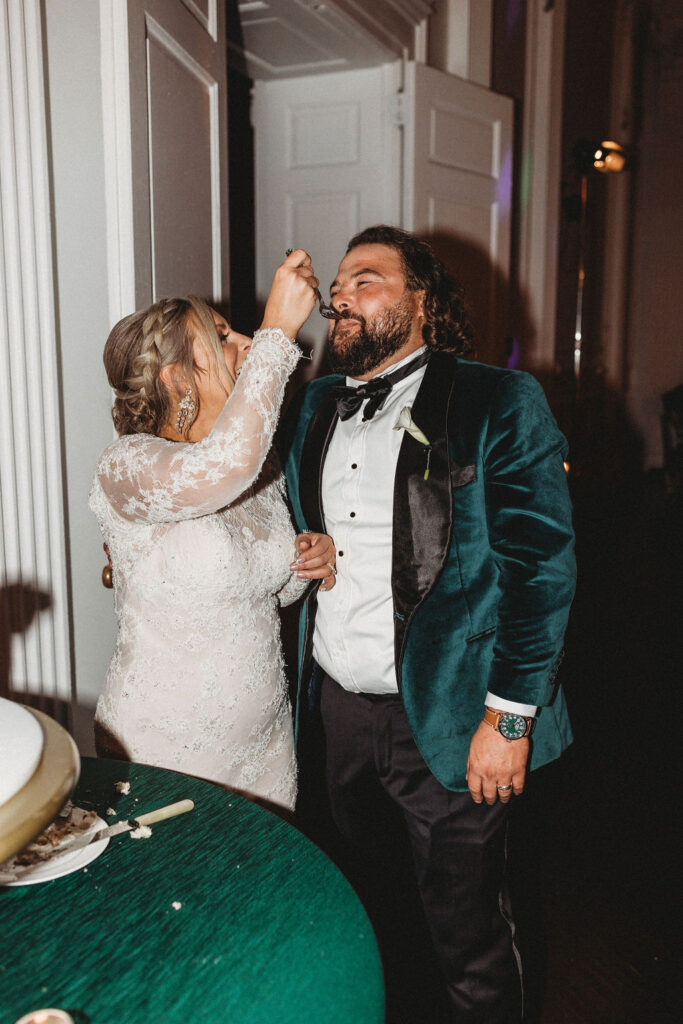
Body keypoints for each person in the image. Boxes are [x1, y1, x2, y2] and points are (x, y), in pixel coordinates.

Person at [279, 226, 576, 1022]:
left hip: (452, 716)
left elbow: (540, 572)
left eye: (366, 280)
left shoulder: (495, 400)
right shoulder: (313, 404)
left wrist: (508, 720)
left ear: (420, 301)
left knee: (469, 934)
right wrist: (303, 548)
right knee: (370, 914)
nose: (341, 295)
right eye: (337, 284)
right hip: (337, 710)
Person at [89, 251, 337, 814]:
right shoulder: (128, 466)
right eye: (223, 336)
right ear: (176, 377)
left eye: (245, 332)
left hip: (266, 746)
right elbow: (220, 470)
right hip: (160, 747)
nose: (246, 342)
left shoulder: (260, 468)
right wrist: (278, 333)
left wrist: (305, 559)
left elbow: (270, 590)